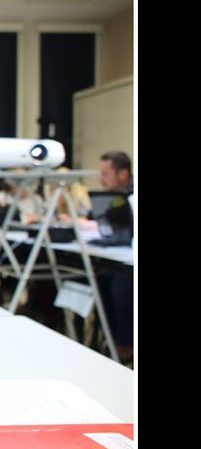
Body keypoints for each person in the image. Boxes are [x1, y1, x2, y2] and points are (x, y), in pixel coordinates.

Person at [96, 150, 134, 364]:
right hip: (118, 255)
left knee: (121, 284)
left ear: (123, 174)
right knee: (103, 277)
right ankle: (113, 341)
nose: (101, 179)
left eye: (105, 173)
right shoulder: (109, 198)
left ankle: (125, 344)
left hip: (129, 262)